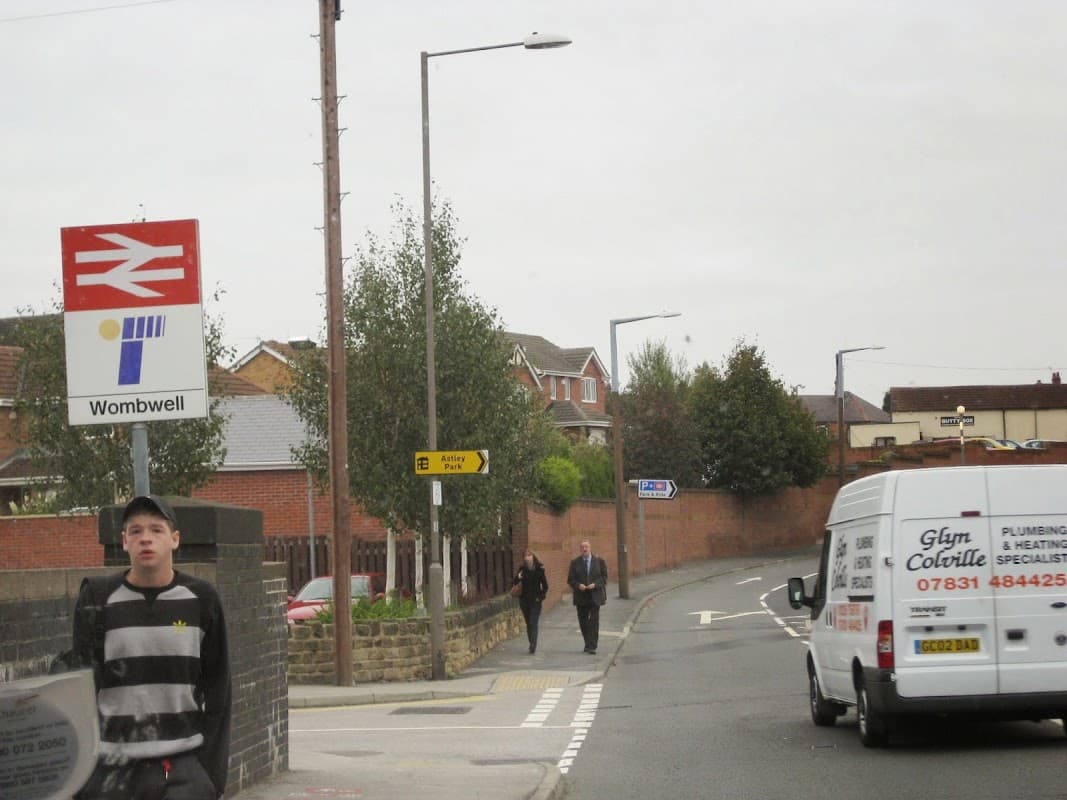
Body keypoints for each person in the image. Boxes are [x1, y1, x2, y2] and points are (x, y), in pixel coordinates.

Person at [74, 495, 232, 800]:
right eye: (135, 531)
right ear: (124, 542)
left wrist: (211, 777)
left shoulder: (202, 600)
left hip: (184, 770)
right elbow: (81, 691)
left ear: (174, 539)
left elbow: (218, 690)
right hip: (111, 773)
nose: (146, 538)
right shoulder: (96, 598)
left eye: (156, 530)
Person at [567, 540, 607, 654]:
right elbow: (570, 580)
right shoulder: (575, 563)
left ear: (590, 548)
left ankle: (592, 646)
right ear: (580, 549)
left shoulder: (599, 561)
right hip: (581, 596)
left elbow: (604, 578)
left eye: (586, 547)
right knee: (583, 621)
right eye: (582, 547)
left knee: (594, 621)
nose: (584, 549)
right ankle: (587, 643)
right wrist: (578, 585)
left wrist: (595, 584)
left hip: (595, 595)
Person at [511, 549, 548, 653]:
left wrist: (540, 597)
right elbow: (514, 582)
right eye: (525, 555)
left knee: (533, 622)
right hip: (524, 600)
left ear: (533, 556)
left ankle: (533, 645)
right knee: (528, 623)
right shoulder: (522, 569)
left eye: (529, 555)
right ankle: (531, 641)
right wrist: (518, 577)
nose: (527, 557)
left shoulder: (540, 570)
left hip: (535, 601)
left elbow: (545, 586)